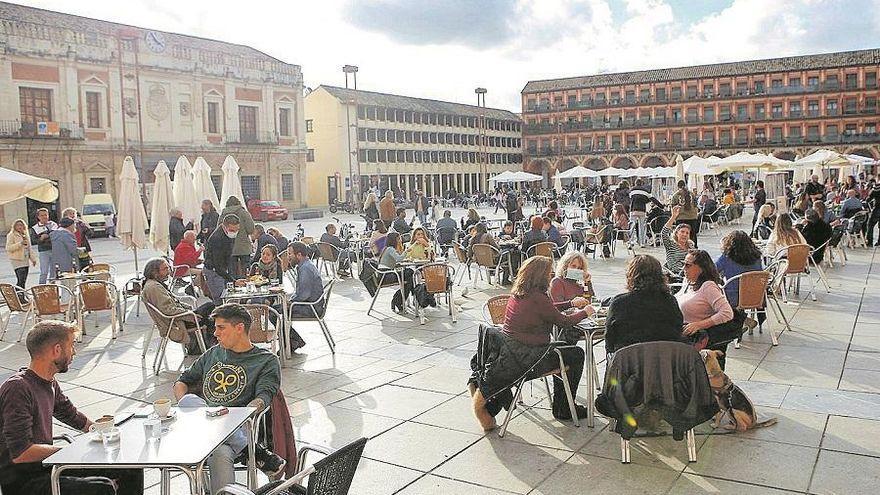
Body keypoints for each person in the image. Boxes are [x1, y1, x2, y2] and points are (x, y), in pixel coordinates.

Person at [0, 320, 144, 495]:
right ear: (57, 350)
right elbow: (21, 452)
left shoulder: (49, 381)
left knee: (130, 468)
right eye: (72, 345)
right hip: (26, 482)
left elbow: (70, 414)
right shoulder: (18, 388)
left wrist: (103, 432)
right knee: (101, 488)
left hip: (48, 467)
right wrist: (71, 451)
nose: (74, 352)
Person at [469, 256, 593, 431]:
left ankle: (562, 405)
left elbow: (549, 311)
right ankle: (563, 407)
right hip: (528, 359)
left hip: (510, 352)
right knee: (575, 355)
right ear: (540, 276)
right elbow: (563, 322)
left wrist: (570, 304)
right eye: (549, 274)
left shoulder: (520, 292)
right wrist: (585, 312)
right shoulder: (538, 297)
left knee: (565, 350)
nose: (551, 276)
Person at [173, 304, 285, 494]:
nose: (215, 333)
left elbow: (264, 396)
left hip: (238, 426)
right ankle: (254, 452)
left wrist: (245, 413)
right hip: (202, 423)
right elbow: (181, 382)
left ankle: (238, 452)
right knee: (189, 400)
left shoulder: (265, 360)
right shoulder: (213, 353)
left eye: (221, 328)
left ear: (239, 328)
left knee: (219, 450)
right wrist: (188, 408)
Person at [604, 255, 684, 355]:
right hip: (665, 362)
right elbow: (677, 331)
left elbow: (609, 341)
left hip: (629, 364)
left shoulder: (619, 303)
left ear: (631, 276)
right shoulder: (670, 301)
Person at [142, 257, 215, 354]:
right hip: (176, 322)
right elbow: (168, 310)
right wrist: (189, 314)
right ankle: (209, 346)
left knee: (210, 308)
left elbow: (171, 303)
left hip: (178, 317)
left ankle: (205, 345)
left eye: (168, 268)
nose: (169, 272)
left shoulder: (153, 284)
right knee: (212, 309)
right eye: (165, 269)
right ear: (154, 272)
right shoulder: (154, 287)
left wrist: (188, 309)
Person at [678, 250, 736, 367]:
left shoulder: (708, 286)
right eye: (683, 264)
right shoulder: (688, 283)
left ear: (701, 268)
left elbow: (727, 313)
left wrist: (699, 325)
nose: (684, 268)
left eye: (688, 265)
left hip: (697, 340)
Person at [715, 230, 763, 310]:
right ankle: (744, 319)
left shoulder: (727, 258)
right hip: (756, 296)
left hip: (734, 297)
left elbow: (713, 270)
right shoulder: (757, 257)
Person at [288, 242, 320, 351]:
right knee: (278, 309)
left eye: (290, 254)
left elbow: (304, 294)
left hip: (311, 307)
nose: (288, 257)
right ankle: (293, 341)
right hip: (311, 305)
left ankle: (294, 341)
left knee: (275, 313)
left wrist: (290, 302)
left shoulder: (305, 268)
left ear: (299, 255)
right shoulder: (306, 265)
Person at [203, 214, 240, 304]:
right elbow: (218, 265)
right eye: (232, 230)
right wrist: (233, 281)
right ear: (224, 226)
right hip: (214, 271)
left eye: (237, 230)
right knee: (221, 300)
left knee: (228, 298)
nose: (234, 232)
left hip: (221, 269)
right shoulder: (217, 238)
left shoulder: (228, 234)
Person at [220, 197, 255, 278]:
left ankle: (234, 287)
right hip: (244, 247)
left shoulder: (223, 214)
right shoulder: (244, 213)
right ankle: (247, 288)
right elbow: (251, 229)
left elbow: (219, 229)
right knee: (246, 272)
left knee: (232, 273)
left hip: (229, 248)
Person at [629, 178, 662, 247]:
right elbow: (653, 199)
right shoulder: (645, 191)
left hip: (633, 210)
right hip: (642, 210)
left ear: (635, 183)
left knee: (632, 226)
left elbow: (630, 199)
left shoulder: (632, 190)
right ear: (642, 183)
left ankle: (631, 242)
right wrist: (661, 206)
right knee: (642, 227)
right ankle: (642, 243)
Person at [6, 219, 37, 291]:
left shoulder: (25, 234)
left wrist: (33, 259)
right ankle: (18, 296)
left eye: (21, 225)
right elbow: (8, 248)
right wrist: (20, 244)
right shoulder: (11, 235)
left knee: (23, 281)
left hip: (25, 260)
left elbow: (29, 248)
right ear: (14, 226)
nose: (20, 227)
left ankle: (21, 296)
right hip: (17, 260)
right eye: (18, 225)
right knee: (21, 279)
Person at [661, 206, 693, 274]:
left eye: (687, 233)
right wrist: (673, 217)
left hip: (689, 273)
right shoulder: (670, 244)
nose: (684, 234)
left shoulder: (690, 246)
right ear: (676, 233)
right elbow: (664, 233)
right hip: (675, 274)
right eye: (682, 232)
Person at [30, 208, 56, 284]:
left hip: (54, 250)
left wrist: (47, 236)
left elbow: (56, 234)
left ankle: (53, 289)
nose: (44, 217)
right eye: (42, 215)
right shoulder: (35, 228)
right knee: (44, 271)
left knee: (53, 271)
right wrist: (41, 239)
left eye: (46, 215)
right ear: (38, 217)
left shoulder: (53, 224)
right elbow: (34, 240)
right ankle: (41, 288)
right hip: (43, 251)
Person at [670, 180, 699, 247]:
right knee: (692, 235)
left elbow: (673, 207)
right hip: (692, 217)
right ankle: (694, 249)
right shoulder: (691, 194)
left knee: (681, 236)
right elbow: (696, 204)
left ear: (678, 186)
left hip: (681, 217)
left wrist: (674, 217)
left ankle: (681, 249)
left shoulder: (675, 195)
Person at [867, 180, 880, 246]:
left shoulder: (877, 187)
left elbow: (870, 196)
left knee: (870, 225)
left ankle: (869, 242)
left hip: (877, 208)